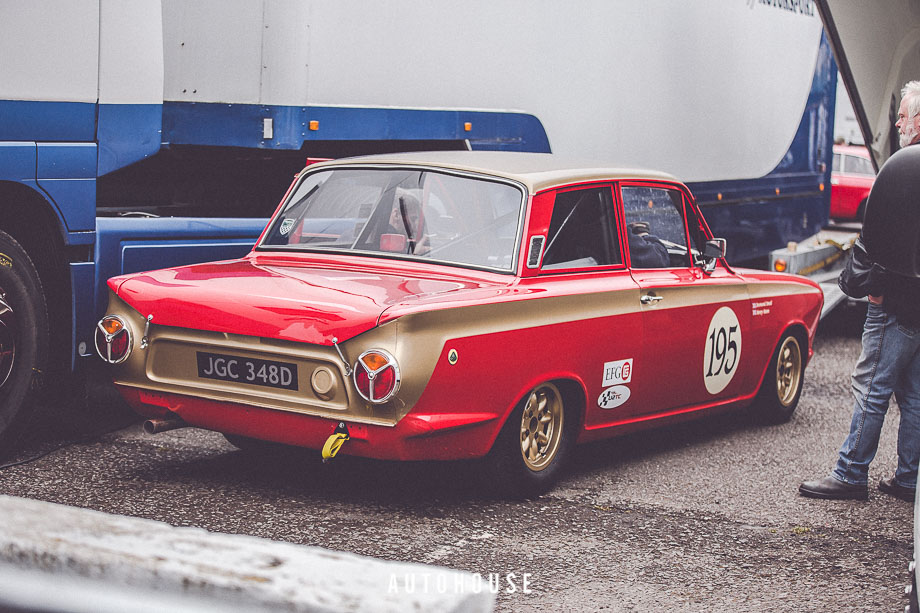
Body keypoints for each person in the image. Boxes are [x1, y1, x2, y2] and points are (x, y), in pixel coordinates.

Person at [799, 80, 920, 502]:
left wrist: (875, 294)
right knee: (915, 393)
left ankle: (851, 473)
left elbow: (880, 241)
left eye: (904, 115)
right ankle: (909, 479)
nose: (899, 123)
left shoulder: (905, 165)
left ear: (919, 120)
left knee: (871, 387)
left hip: (894, 305)